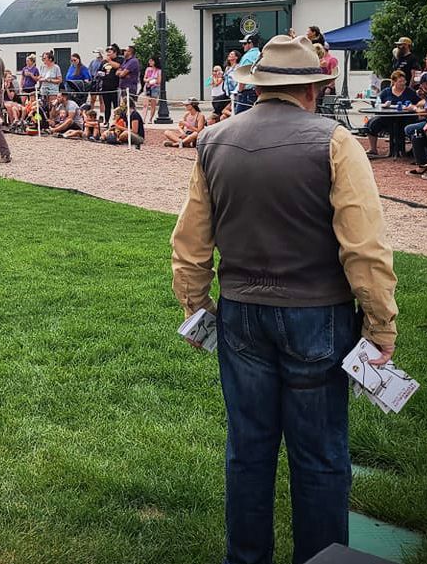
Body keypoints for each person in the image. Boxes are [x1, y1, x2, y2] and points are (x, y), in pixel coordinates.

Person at [170, 34, 398, 564]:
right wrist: (380, 323)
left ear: (258, 87)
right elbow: (364, 247)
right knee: (319, 457)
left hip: (241, 312)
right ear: (313, 89)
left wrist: (196, 307)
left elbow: (190, 242)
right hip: (318, 314)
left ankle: (245, 558)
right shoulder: (335, 142)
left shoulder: (213, 140)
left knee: (248, 451)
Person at [364, 70, 419, 159]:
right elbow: (377, 104)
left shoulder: (410, 92)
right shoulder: (386, 91)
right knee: (371, 123)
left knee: (409, 125)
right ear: (394, 82)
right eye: (400, 81)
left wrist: (413, 106)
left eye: (404, 81)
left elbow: (420, 101)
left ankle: (406, 150)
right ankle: (373, 149)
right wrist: (384, 105)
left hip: (405, 118)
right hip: (387, 117)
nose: (403, 83)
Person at [233, 33, 260, 114]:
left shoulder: (247, 57)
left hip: (247, 93)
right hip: (257, 90)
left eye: (245, 44)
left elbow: (243, 76)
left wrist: (239, 92)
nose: (243, 46)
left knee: (240, 117)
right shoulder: (260, 55)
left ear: (250, 44)